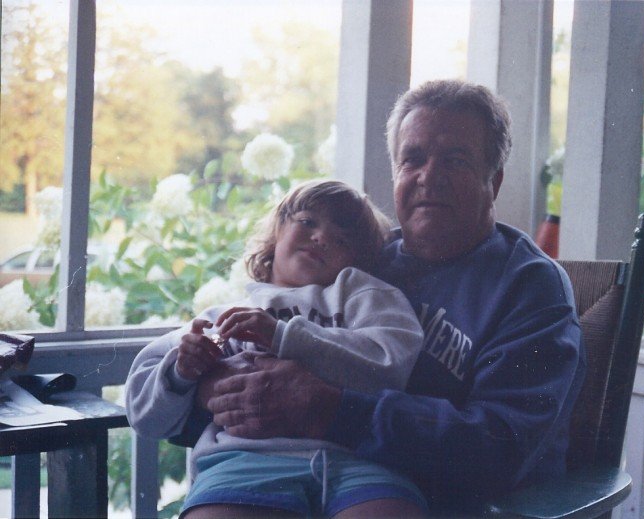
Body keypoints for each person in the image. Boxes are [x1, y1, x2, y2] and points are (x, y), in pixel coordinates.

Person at [199, 79, 586, 514]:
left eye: (455, 161)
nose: (429, 177)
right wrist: (212, 386)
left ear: (492, 182)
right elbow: (264, 372)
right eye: (413, 160)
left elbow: (499, 445)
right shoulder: (357, 264)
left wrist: (331, 410)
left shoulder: (529, 288)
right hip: (311, 483)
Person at [125, 180, 428, 518]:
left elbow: (390, 361)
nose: (321, 237)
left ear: (360, 260)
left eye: (341, 239)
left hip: (360, 461)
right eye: (307, 221)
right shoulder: (228, 315)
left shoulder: (365, 295)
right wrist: (180, 373)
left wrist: (283, 337)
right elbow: (143, 414)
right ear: (276, 234)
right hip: (243, 464)